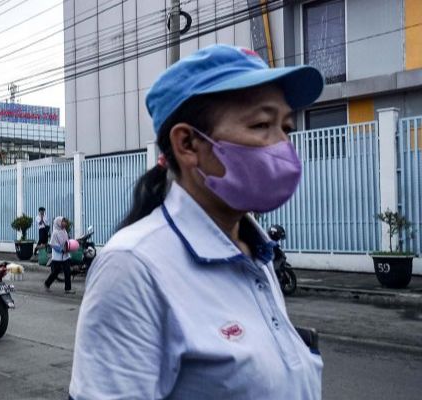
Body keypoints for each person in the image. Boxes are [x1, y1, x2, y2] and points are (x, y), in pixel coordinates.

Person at [68, 45, 324, 399]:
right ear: (188, 143)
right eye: (262, 124)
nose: (283, 145)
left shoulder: (256, 255)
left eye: (286, 127)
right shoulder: (133, 268)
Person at [44, 216, 74, 294]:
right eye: (62, 221)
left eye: (64, 221)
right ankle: (47, 283)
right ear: (58, 222)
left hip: (65, 256)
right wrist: (61, 250)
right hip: (57, 257)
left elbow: (66, 241)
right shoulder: (55, 233)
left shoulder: (64, 231)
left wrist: (69, 246)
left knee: (67, 272)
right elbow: (53, 245)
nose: (65, 223)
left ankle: (68, 289)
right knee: (55, 272)